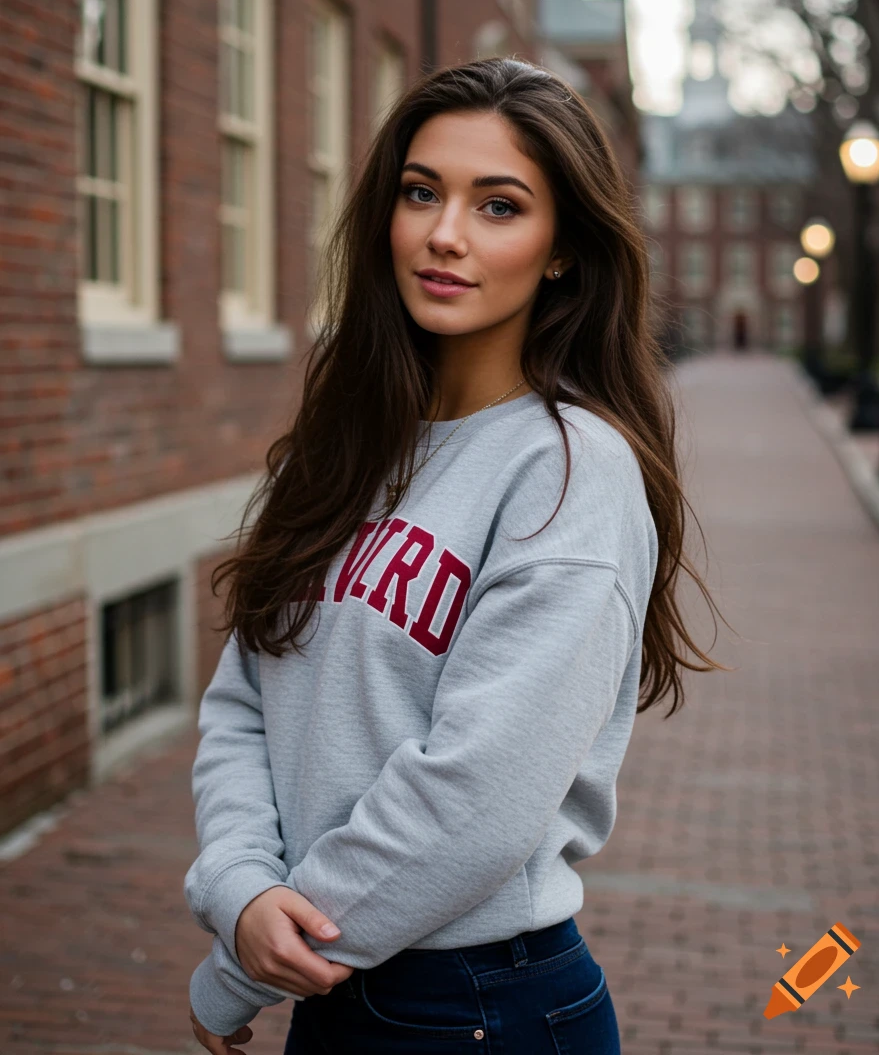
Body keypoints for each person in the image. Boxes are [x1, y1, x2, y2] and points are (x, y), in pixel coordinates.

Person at [184, 56, 729, 1054]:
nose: (445, 233)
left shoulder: (570, 471)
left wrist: (244, 965)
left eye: (499, 205)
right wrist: (239, 889)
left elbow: (477, 796)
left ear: (561, 250)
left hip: (477, 1004)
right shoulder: (341, 447)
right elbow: (243, 697)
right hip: (332, 984)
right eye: (421, 192)